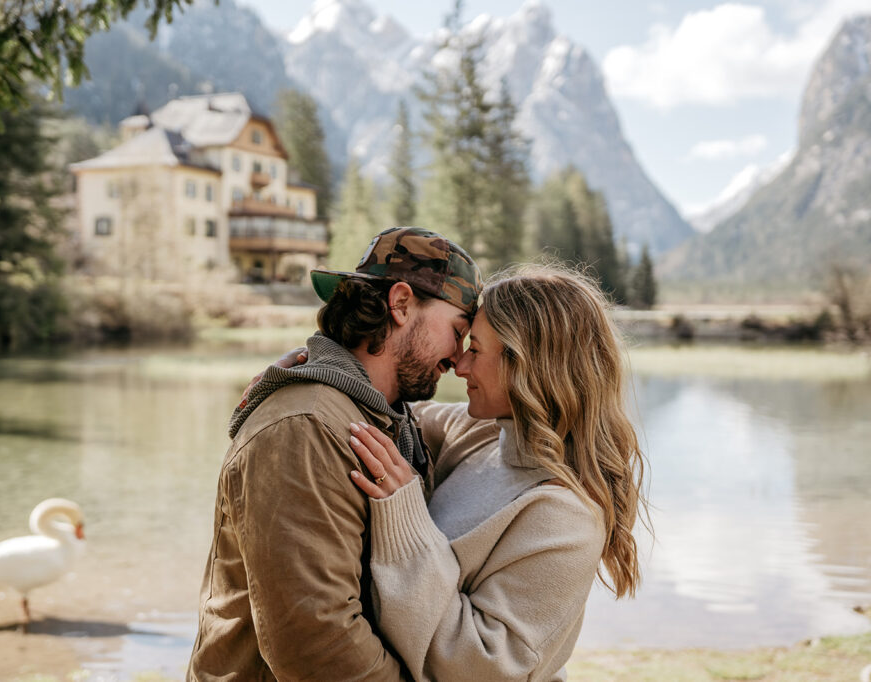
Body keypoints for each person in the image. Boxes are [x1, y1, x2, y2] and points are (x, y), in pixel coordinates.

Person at [188, 227, 483, 681]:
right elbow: (316, 645)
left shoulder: (382, 417)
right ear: (401, 304)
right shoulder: (305, 428)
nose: (458, 358)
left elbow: (486, 426)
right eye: (457, 332)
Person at [344, 264, 649, 682]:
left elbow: (482, 666)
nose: (460, 365)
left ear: (526, 365)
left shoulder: (564, 515)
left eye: (477, 350)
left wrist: (405, 517)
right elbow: (372, 405)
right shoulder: (482, 433)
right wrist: (314, 369)